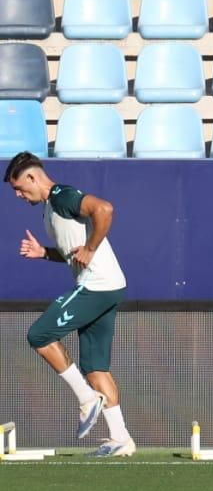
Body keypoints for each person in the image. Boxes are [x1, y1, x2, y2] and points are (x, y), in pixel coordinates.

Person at [7, 151, 135, 457]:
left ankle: (87, 399)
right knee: (95, 368)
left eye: (20, 188)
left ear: (32, 177)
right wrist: (44, 253)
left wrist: (91, 248)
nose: (18, 195)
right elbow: (71, 251)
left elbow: (104, 209)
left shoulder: (62, 195)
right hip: (109, 286)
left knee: (39, 335)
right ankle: (121, 439)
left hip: (96, 286)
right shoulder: (49, 209)